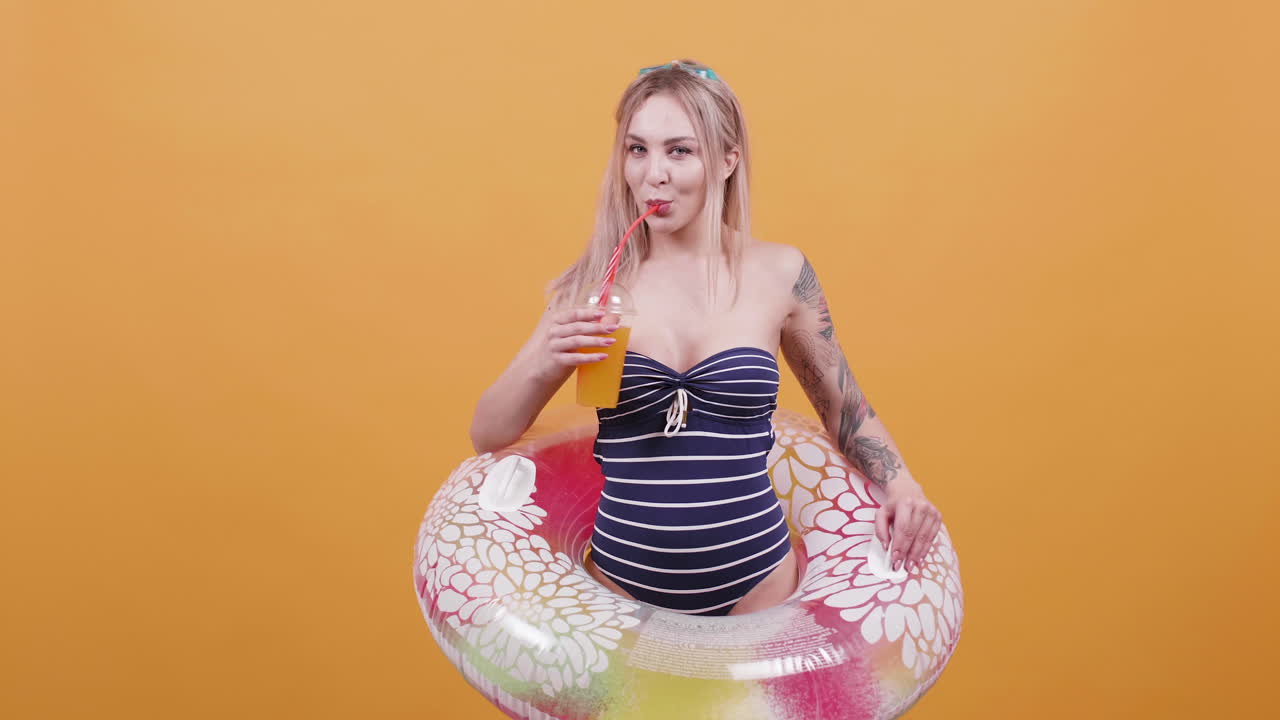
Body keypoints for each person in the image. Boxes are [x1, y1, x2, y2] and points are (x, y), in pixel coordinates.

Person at [470, 59, 942, 616]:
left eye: (680, 150)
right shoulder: (594, 284)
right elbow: (489, 433)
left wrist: (904, 485)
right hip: (620, 591)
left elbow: (845, 410)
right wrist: (546, 359)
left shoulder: (781, 274)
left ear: (726, 160)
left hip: (760, 592)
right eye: (637, 149)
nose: (654, 174)